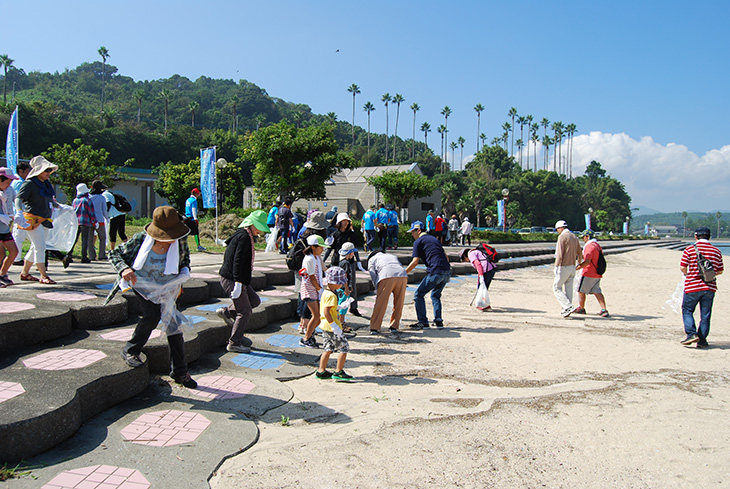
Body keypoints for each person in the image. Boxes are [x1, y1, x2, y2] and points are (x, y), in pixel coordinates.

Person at [107, 205, 197, 388]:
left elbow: (185, 259)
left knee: (173, 325)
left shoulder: (180, 241)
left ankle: (179, 372)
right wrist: (124, 269)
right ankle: (131, 350)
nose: (171, 239)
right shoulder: (141, 239)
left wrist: (185, 270)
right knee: (153, 314)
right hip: (143, 286)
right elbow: (115, 254)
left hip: (168, 288)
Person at [217, 210, 270, 353]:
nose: (260, 231)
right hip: (233, 278)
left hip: (239, 279)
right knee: (245, 311)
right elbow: (238, 261)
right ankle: (234, 342)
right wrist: (238, 283)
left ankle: (227, 312)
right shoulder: (244, 237)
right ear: (251, 224)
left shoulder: (244, 234)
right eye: (259, 227)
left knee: (254, 300)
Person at [14, 156, 59, 285]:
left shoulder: (46, 184)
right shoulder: (30, 183)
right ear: (39, 170)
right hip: (33, 220)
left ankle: (25, 273)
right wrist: (18, 211)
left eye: (50, 170)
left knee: (35, 247)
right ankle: (43, 275)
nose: (49, 173)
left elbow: (49, 200)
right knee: (40, 247)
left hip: (45, 219)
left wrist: (60, 206)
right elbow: (18, 198)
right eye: (47, 170)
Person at [679, 227, 724, 348]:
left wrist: (688, 274)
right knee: (705, 315)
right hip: (710, 287)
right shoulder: (716, 251)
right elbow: (720, 270)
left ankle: (692, 334)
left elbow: (683, 267)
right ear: (709, 237)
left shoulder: (690, 249)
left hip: (692, 286)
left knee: (687, 310)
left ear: (695, 236)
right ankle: (702, 340)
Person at [405, 220, 451, 329]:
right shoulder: (435, 239)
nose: (412, 234)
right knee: (435, 295)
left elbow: (415, 261)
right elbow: (446, 257)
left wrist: (403, 273)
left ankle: (423, 321)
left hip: (435, 272)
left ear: (419, 230)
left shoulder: (418, 242)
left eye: (412, 232)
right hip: (447, 271)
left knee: (418, 295)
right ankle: (438, 320)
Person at [315, 266, 353, 380]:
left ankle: (321, 371)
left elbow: (329, 308)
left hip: (325, 326)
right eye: (340, 283)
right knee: (344, 347)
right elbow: (327, 312)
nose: (341, 285)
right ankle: (338, 371)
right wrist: (334, 326)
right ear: (333, 283)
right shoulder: (332, 295)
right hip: (332, 326)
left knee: (328, 348)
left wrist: (340, 306)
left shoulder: (325, 293)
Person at [299, 234, 329, 348]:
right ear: (313, 247)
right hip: (309, 289)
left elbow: (324, 268)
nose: (322, 249)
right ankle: (306, 338)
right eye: (320, 247)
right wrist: (319, 289)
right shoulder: (309, 259)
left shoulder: (317, 257)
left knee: (319, 315)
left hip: (317, 288)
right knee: (316, 315)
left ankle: (309, 334)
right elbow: (311, 277)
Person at [368, 250, 408, 334]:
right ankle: (394, 326)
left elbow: (372, 274)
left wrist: (376, 287)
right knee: (399, 302)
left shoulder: (372, 259)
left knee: (381, 303)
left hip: (386, 276)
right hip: (402, 275)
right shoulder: (392, 256)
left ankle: (375, 327)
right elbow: (400, 265)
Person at [575, 230, 608, 317]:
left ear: (588, 237)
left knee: (581, 291)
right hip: (597, 272)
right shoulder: (597, 246)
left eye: (584, 237)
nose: (583, 239)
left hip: (588, 272)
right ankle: (604, 309)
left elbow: (587, 261)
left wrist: (578, 267)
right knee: (597, 291)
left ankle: (581, 308)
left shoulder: (589, 246)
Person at [552, 219, 582, 317]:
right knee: (569, 288)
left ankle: (567, 306)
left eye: (557, 229)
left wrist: (556, 266)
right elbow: (579, 252)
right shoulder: (574, 236)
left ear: (560, 228)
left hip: (563, 265)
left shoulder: (562, 237)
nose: (557, 231)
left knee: (556, 287)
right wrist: (579, 262)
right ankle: (566, 309)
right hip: (572, 266)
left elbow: (560, 253)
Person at [64, 183, 97, 266]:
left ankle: (69, 255)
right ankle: (84, 257)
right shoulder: (87, 200)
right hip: (85, 222)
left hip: (75, 222)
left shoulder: (75, 200)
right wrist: (94, 221)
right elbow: (91, 212)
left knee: (74, 239)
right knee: (84, 240)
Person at [6, 161, 30, 267]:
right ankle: (17, 258)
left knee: (19, 237)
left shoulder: (18, 182)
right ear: (21, 171)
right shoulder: (19, 182)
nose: (28, 174)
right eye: (27, 172)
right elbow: (17, 198)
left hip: (19, 213)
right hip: (20, 213)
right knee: (18, 237)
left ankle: (17, 258)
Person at [460, 246, 497, 311]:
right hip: (491, 268)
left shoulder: (471, 254)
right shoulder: (475, 252)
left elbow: (478, 264)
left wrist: (481, 275)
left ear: (465, 256)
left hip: (487, 269)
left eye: (464, 260)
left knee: (481, 288)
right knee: (484, 287)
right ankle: (484, 304)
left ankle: (482, 304)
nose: (466, 261)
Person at [0, 168, 20, 287]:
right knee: (0, 254)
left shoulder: (10, 189)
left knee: (14, 251)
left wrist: (19, 212)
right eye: (8, 181)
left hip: (5, 227)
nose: (9, 184)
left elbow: (17, 199)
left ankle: (2, 273)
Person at [338, 241, 361, 321]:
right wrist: (347, 288)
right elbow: (345, 276)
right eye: (353, 253)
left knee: (342, 304)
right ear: (350, 253)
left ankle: (341, 322)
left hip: (342, 288)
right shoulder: (346, 263)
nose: (353, 254)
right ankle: (341, 323)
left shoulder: (342, 262)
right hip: (344, 288)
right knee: (343, 306)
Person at [89, 180, 109, 260]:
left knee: (90, 239)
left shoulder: (89, 197)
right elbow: (104, 210)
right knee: (102, 238)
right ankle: (101, 254)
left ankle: (91, 255)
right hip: (100, 220)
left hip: (90, 220)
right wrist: (107, 218)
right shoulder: (102, 198)